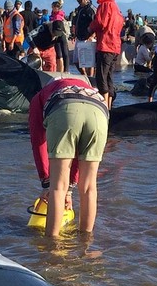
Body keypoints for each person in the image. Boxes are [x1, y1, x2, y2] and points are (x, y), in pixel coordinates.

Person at [29, 78, 109, 238]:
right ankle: (86, 242)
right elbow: (78, 154)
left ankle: (52, 245)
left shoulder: (39, 97)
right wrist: (71, 188)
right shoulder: (87, 87)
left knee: (58, 187)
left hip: (64, 108)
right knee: (89, 187)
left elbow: (38, 142)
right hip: (99, 111)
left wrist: (46, 182)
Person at [88, 0, 124, 107]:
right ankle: (109, 107)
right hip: (115, 47)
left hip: (105, 45)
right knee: (109, 77)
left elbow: (101, 22)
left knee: (101, 77)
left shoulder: (105, 5)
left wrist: (90, 29)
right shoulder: (117, 9)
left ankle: (103, 106)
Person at [72, 0, 96, 77]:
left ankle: (90, 78)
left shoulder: (91, 9)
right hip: (79, 37)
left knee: (89, 62)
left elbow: (96, 23)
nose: (79, 3)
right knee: (76, 61)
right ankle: (84, 75)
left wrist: (92, 35)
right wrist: (74, 33)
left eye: (80, 1)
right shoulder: (80, 9)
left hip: (88, 38)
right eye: (78, 1)